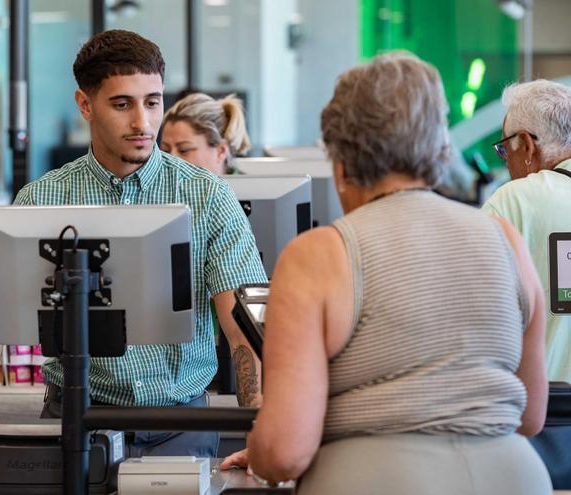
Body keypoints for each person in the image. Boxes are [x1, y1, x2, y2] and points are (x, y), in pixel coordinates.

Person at [0, 29, 267, 472]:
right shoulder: (42, 199)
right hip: (74, 426)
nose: (143, 122)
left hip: (180, 425)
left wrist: (261, 426)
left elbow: (241, 327)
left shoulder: (207, 196)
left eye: (153, 101)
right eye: (122, 104)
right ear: (85, 105)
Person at [221, 52, 551, 494]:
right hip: (515, 479)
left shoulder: (318, 254)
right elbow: (530, 416)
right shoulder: (505, 239)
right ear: (439, 145)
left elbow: (283, 454)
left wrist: (265, 445)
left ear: (340, 158)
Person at [483, 80, 571, 383]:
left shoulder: (513, 201)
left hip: (546, 416)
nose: (507, 165)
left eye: (505, 151)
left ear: (527, 144)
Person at [160, 92, 251, 175]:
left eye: (184, 150)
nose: (170, 160)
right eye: (165, 151)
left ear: (220, 151)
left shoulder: (253, 190)